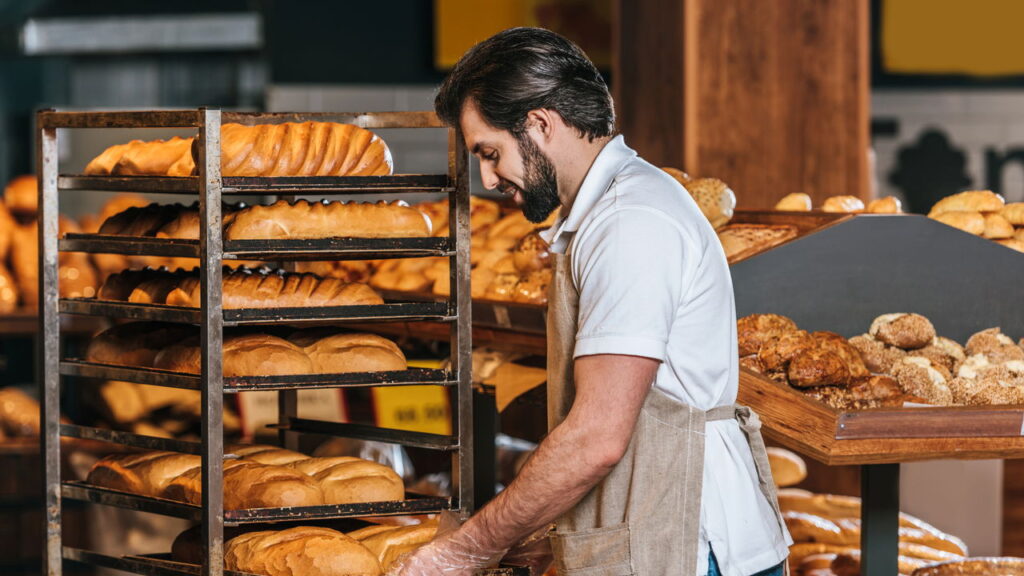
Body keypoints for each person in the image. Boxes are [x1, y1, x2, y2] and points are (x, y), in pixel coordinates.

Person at [390, 27, 791, 576]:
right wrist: (535, 527)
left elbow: (597, 437)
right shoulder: (606, 212)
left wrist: (469, 549)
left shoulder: (630, 223)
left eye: (491, 152)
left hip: (694, 548)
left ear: (540, 123)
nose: (487, 177)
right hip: (661, 532)